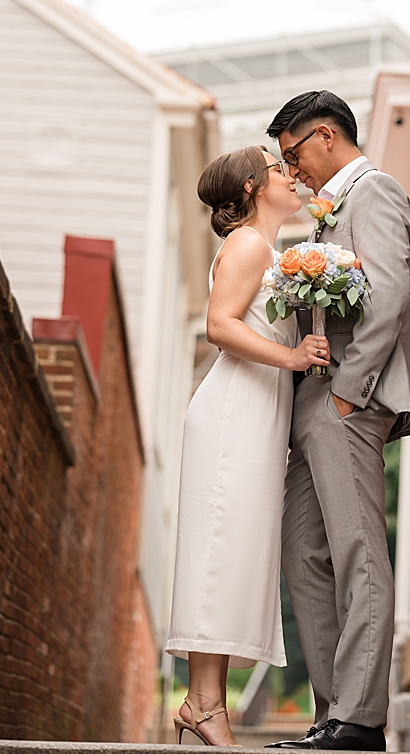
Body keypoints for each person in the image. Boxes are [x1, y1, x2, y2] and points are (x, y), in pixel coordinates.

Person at [265, 91, 410, 752]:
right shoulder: (330, 212)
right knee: (302, 554)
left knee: (359, 551)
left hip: (347, 405)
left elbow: (388, 292)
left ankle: (358, 721)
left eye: (294, 154)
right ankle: (333, 714)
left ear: (326, 136)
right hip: (314, 406)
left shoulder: (375, 192)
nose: (292, 170)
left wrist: (349, 394)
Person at [165, 147, 330, 747]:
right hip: (233, 415)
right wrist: (291, 356)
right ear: (255, 186)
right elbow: (220, 325)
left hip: (257, 417)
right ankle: (207, 707)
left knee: (230, 557)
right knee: (219, 553)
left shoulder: (271, 251)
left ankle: (203, 703)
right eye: (278, 166)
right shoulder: (248, 246)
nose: (291, 173)